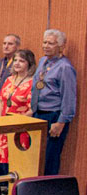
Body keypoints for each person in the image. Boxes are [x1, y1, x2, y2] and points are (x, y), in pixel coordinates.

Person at [32, 29, 77, 175]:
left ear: (61, 46)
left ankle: (47, 194)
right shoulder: (42, 61)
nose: (46, 46)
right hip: (38, 114)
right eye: (44, 42)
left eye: (51, 43)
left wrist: (61, 122)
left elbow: (69, 97)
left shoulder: (65, 67)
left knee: (49, 158)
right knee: (36, 157)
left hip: (54, 117)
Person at [0, 49, 36, 177]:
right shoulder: (9, 80)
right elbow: (1, 101)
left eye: (21, 61)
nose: (17, 63)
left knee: (16, 158)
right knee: (2, 157)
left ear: (29, 64)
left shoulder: (32, 83)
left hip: (19, 128)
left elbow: (32, 109)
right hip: (4, 126)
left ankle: (15, 188)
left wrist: (16, 122)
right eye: (15, 60)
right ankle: (3, 186)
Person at [0, 33, 21, 114]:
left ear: (17, 46)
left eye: (10, 44)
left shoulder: (19, 64)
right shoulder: (0, 62)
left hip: (10, 107)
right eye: (4, 43)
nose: (6, 46)